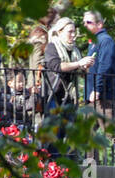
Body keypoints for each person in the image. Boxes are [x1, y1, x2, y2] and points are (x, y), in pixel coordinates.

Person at [42, 17, 94, 154]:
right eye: (70, 32)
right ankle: (51, 164)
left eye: (74, 32)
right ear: (59, 32)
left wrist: (86, 67)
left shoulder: (75, 50)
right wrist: (79, 64)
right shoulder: (52, 46)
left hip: (69, 96)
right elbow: (57, 66)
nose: (73, 35)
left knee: (68, 132)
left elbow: (81, 72)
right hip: (53, 95)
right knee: (55, 132)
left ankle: (64, 165)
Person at [83, 11, 115, 163]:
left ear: (99, 24)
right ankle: (91, 170)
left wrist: (97, 89)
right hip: (92, 97)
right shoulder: (93, 42)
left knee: (113, 134)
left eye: (89, 22)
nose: (85, 25)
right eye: (84, 22)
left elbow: (104, 67)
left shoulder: (105, 41)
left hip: (104, 96)